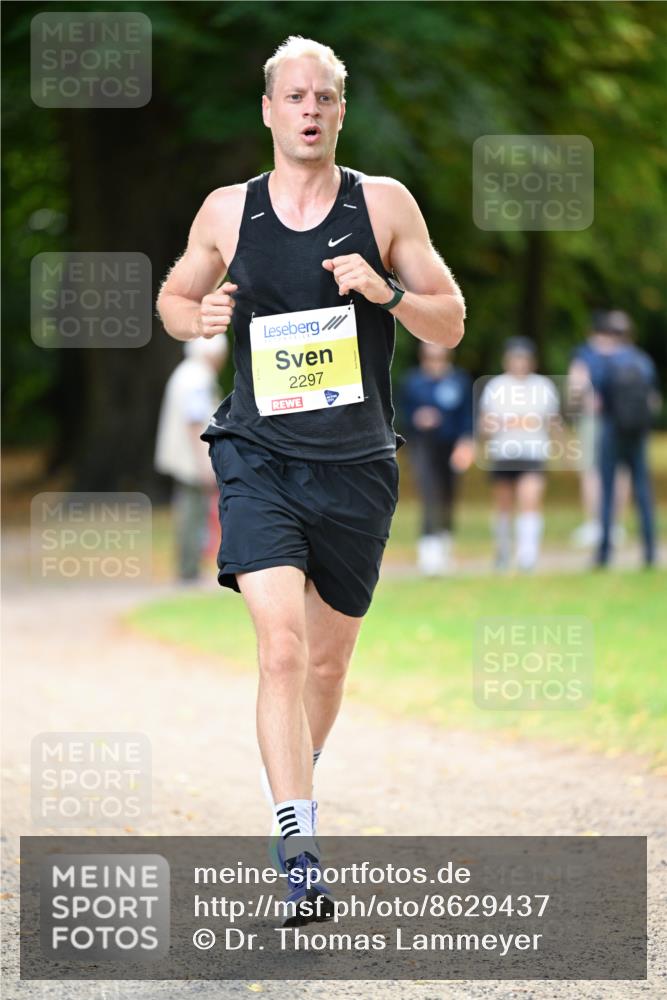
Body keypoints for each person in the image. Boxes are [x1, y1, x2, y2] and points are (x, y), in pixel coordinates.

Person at [156, 36, 465, 923]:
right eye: (294, 96)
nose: (308, 110)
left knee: (326, 666)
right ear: (268, 110)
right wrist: (196, 314)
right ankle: (299, 848)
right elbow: (175, 298)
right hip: (257, 455)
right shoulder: (228, 210)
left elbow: (449, 322)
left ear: (340, 110)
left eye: (323, 97)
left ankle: (295, 782)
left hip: (357, 465)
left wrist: (386, 292)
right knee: (282, 650)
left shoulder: (384, 204)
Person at [478, 337, 560, 572]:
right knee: (504, 504)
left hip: (533, 452)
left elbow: (552, 422)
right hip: (504, 452)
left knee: (530, 499)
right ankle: (503, 550)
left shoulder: (543, 387)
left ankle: (527, 555)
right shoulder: (496, 387)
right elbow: (486, 424)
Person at [154, 336, 228, 581]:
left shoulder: (185, 372)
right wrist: (204, 463)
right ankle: (189, 569)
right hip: (191, 458)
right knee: (192, 512)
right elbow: (195, 421)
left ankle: (189, 567)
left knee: (190, 510)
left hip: (183, 455)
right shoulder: (198, 378)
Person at [400, 342, 474, 574]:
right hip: (422, 446)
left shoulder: (459, 380)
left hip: (451, 446)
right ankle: (429, 551)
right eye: (430, 357)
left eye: (440, 357)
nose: (435, 363)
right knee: (429, 492)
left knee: (448, 495)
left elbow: (467, 416)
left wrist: (466, 443)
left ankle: (445, 542)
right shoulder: (413, 382)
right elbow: (400, 414)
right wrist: (417, 418)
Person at [594, 312, 660, 568]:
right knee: (642, 491)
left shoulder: (607, 361)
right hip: (638, 433)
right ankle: (650, 551)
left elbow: (598, 397)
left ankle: (604, 553)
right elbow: (653, 399)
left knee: (607, 491)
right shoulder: (644, 361)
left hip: (612, 430)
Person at [566, 310, 631, 549]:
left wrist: (575, 405)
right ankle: (615, 526)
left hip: (593, 418)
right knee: (620, 471)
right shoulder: (627, 354)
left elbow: (576, 386)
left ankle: (594, 524)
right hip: (622, 420)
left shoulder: (585, 353)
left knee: (591, 471)